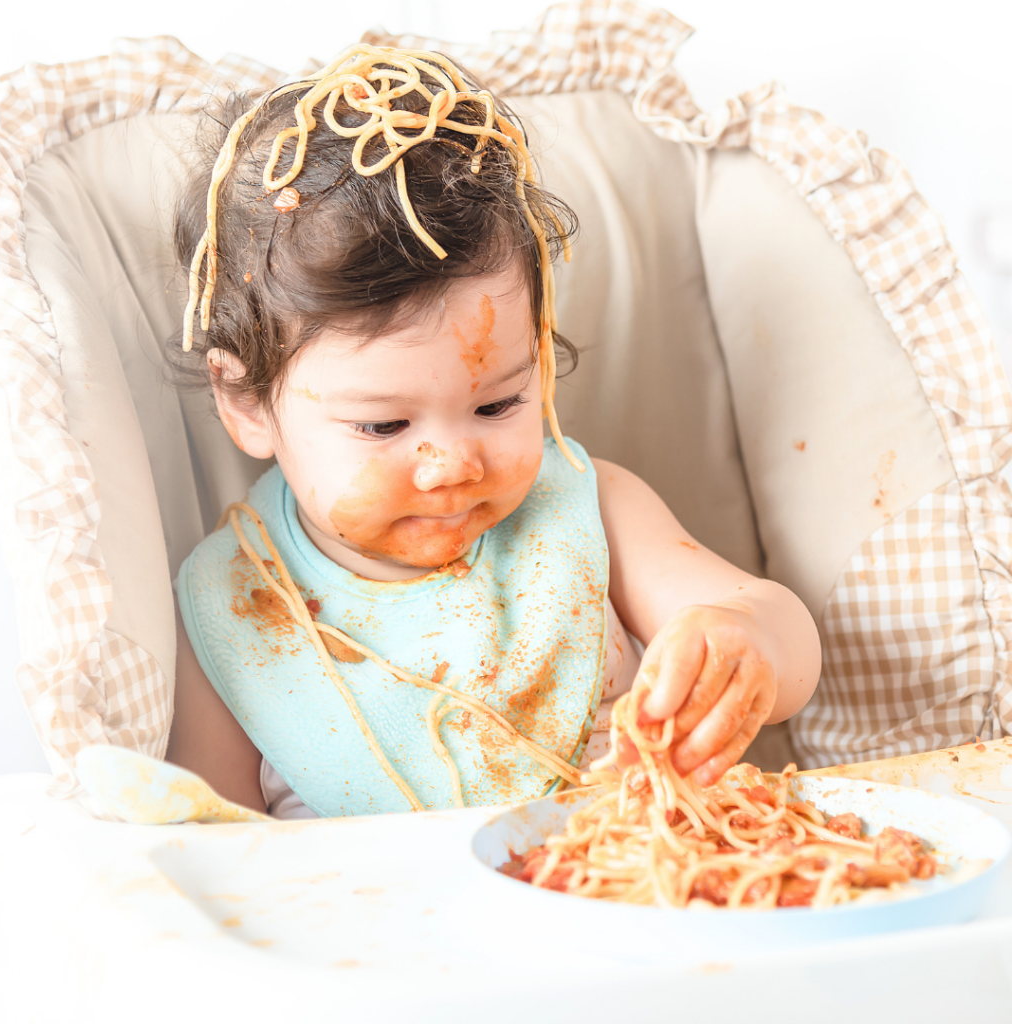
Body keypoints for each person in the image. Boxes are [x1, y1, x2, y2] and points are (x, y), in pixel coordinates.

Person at [167, 45, 821, 819]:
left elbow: (790, 646)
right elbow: (213, 848)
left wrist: (744, 639)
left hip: (633, 899)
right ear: (246, 403)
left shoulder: (592, 507)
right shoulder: (231, 609)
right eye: (383, 424)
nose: (451, 465)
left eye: (497, 406)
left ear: (538, 358)